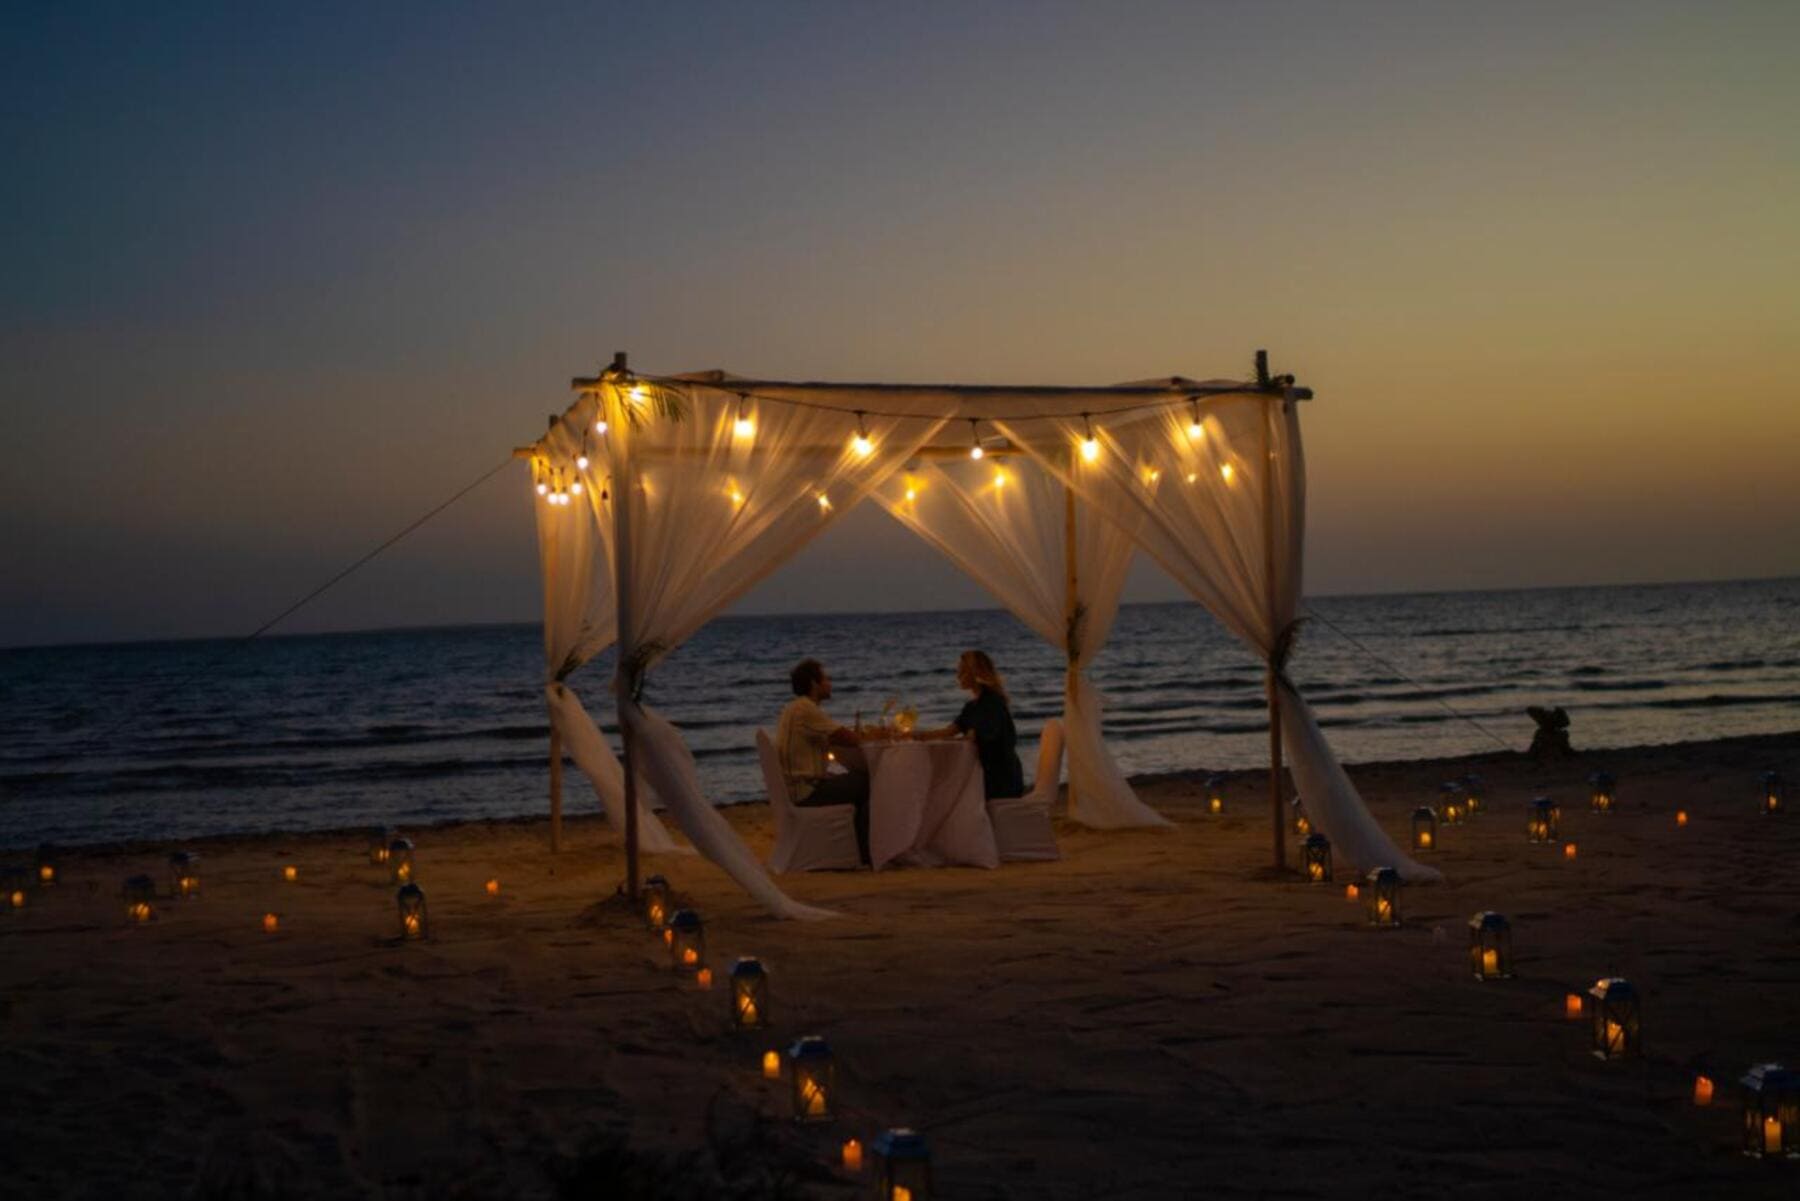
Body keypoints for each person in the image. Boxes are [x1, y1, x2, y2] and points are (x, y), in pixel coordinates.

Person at [776, 658, 871, 865]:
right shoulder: (805, 709)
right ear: (813, 684)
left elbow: (831, 736)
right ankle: (866, 854)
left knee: (856, 780)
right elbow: (848, 738)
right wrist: (872, 737)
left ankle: (857, 848)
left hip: (798, 787)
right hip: (807, 791)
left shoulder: (793, 708)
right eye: (826, 679)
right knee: (869, 783)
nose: (830, 683)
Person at [916, 650, 1025, 801]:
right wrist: (916, 736)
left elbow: (983, 738)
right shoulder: (972, 706)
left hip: (1001, 780)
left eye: (962, 672)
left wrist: (970, 736)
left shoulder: (993, 703)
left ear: (975, 674)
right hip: (984, 775)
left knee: (949, 791)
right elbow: (949, 731)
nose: (958, 676)